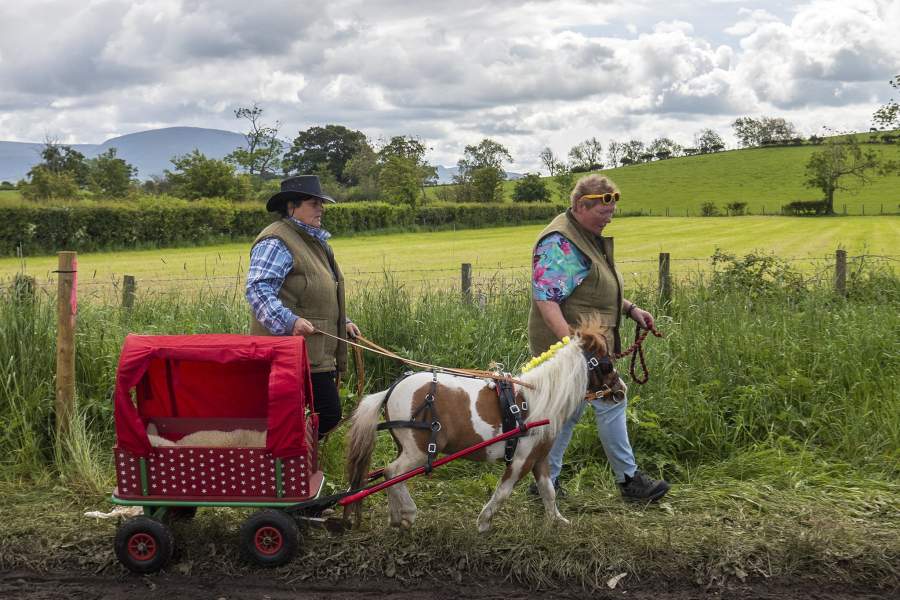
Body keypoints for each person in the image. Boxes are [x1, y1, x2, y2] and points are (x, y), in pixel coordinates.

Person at [527, 174, 669, 502]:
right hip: (571, 348)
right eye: (602, 213)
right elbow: (546, 299)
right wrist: (573, 347)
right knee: (611, 399)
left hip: (583, 347)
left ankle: (545, 482)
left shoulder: (584, 236)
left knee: (570, 410)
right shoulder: (561, 242)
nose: (608, 219)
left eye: (611, 214)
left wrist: (630, 309)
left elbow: (593, 286)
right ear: (580, 206)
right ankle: (630, 481)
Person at [246, 175, 361, 439]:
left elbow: (317, 294)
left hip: (314, 352)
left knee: (324, 416)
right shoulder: (277, 241)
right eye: (313, 203)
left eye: (321, 203)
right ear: (291, 207)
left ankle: (298, 463)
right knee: (326, 415)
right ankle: (290, 464)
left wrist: (342, 322)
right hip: (289, 353)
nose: (321, 208)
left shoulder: (314, 241)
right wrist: (289, 321)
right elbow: (258, 290)